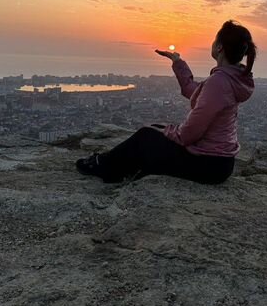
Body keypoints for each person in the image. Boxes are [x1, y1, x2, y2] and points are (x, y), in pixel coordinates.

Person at [75, 19, 257, 184]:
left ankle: (103, 166)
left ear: (219, 48)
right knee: (155, 130)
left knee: (146, 135)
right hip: (219, 162)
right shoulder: (231, 79)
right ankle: (119, 168)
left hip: (208, 163)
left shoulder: (219, 82)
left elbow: (188, 134)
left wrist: (167, 131)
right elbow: (194, 91)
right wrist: (178, 62)